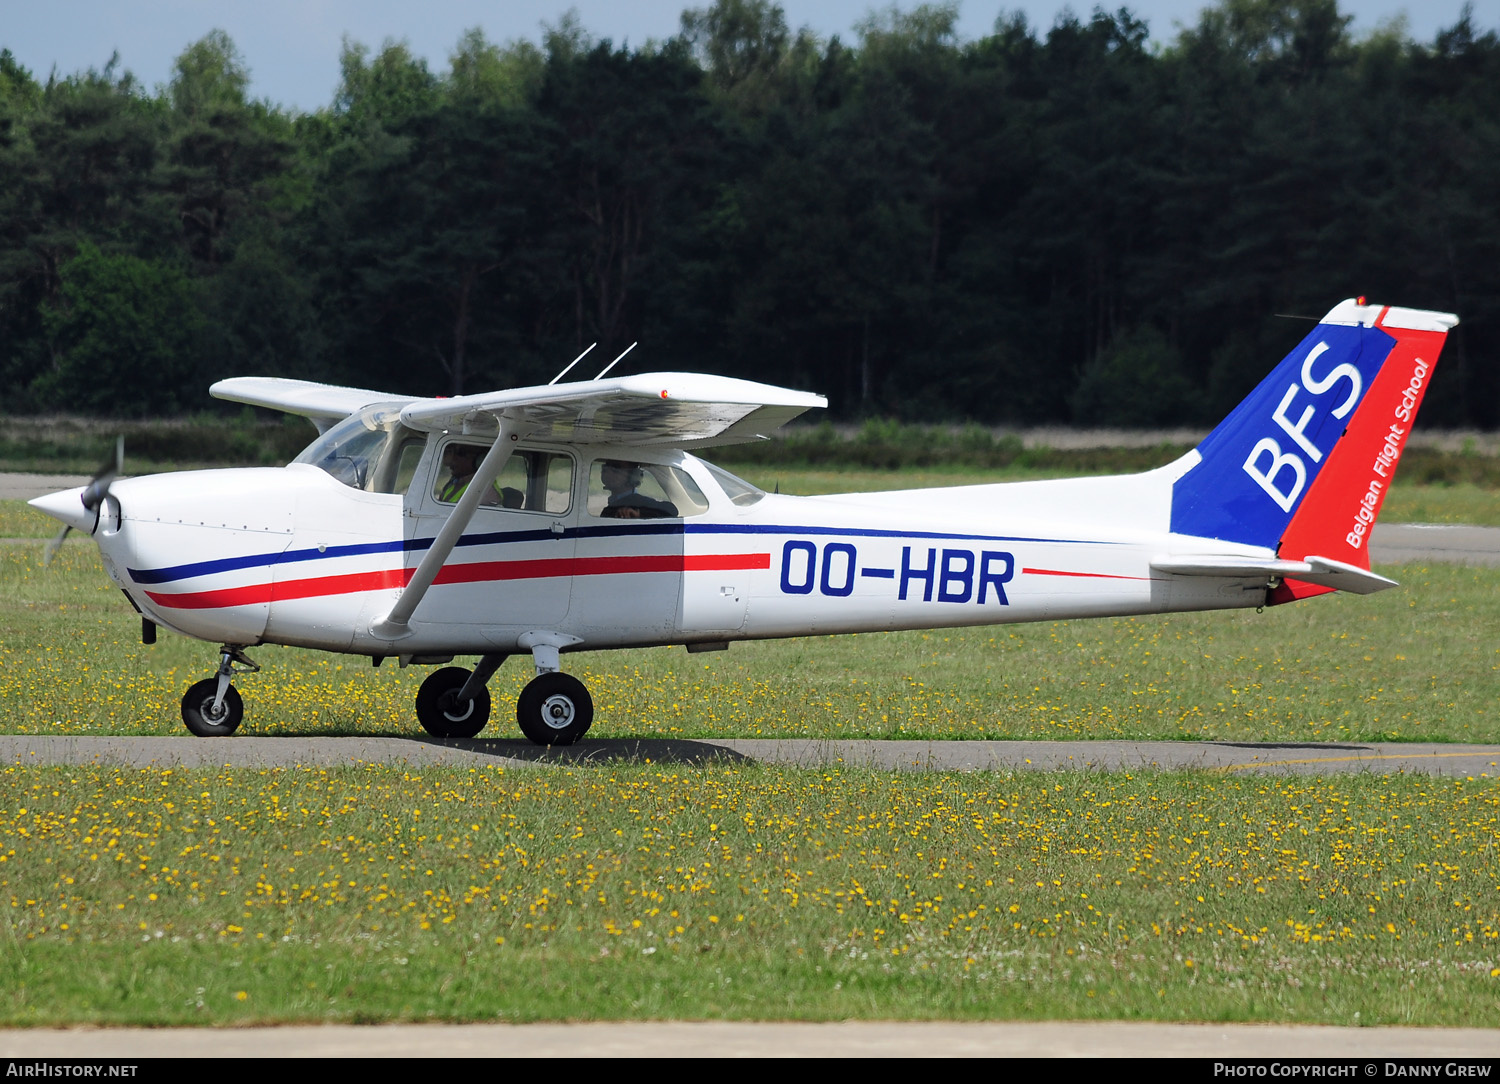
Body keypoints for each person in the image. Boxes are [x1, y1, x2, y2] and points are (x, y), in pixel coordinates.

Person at [437, 444, 522, 507]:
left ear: (480, 461)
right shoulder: (455, 484)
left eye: (460, 454)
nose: (452, 460)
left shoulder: (485, 493)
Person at [599, 460, 677, 519]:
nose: (607, 471)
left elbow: (672, 510)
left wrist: (640, 514)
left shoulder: (638, 502)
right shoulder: (609, 509)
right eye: (606, 467)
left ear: (633, 475)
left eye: (616, 468)